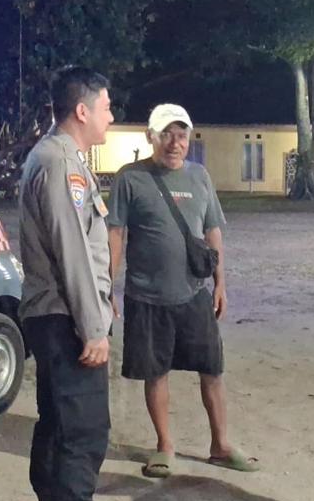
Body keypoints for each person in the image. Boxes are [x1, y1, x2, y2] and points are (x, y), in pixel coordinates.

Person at [18, 66, 141, 501]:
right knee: (84, 430)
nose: (112, 115)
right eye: (107, 107)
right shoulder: (59, 164)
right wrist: (94, 328)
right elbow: (72, 251)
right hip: (65, 318)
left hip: (55, 313)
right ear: (83, 110)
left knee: (57, 422)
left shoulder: (58, 158)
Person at [106, 104, 259, 478]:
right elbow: (116, 234)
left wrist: (220, 283)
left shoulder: (200, 177)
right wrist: (107, 286)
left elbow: (212, 231)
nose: (175, 143)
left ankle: (220, 444)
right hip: (146, 296)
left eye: (182, 135)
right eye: (167, 135)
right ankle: (165, 446)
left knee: (212, 370)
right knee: (155, 372)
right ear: (151, 137)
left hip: (193, 293)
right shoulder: (130, 178)